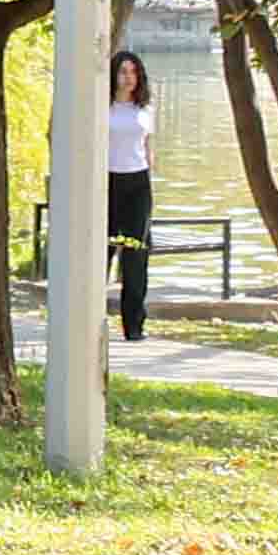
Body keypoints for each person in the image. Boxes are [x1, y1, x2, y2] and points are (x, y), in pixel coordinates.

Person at [107, 49, 159, 342]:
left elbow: (149, 148)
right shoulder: (103, 107)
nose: (129, 78)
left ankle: (134, 325)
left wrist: (151, 182)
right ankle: (89, 318)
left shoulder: (145, 108)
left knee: (136, 255)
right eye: (123, 72)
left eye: (134, 72)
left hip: (137, 183)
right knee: (102, 251)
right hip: (107, 181)